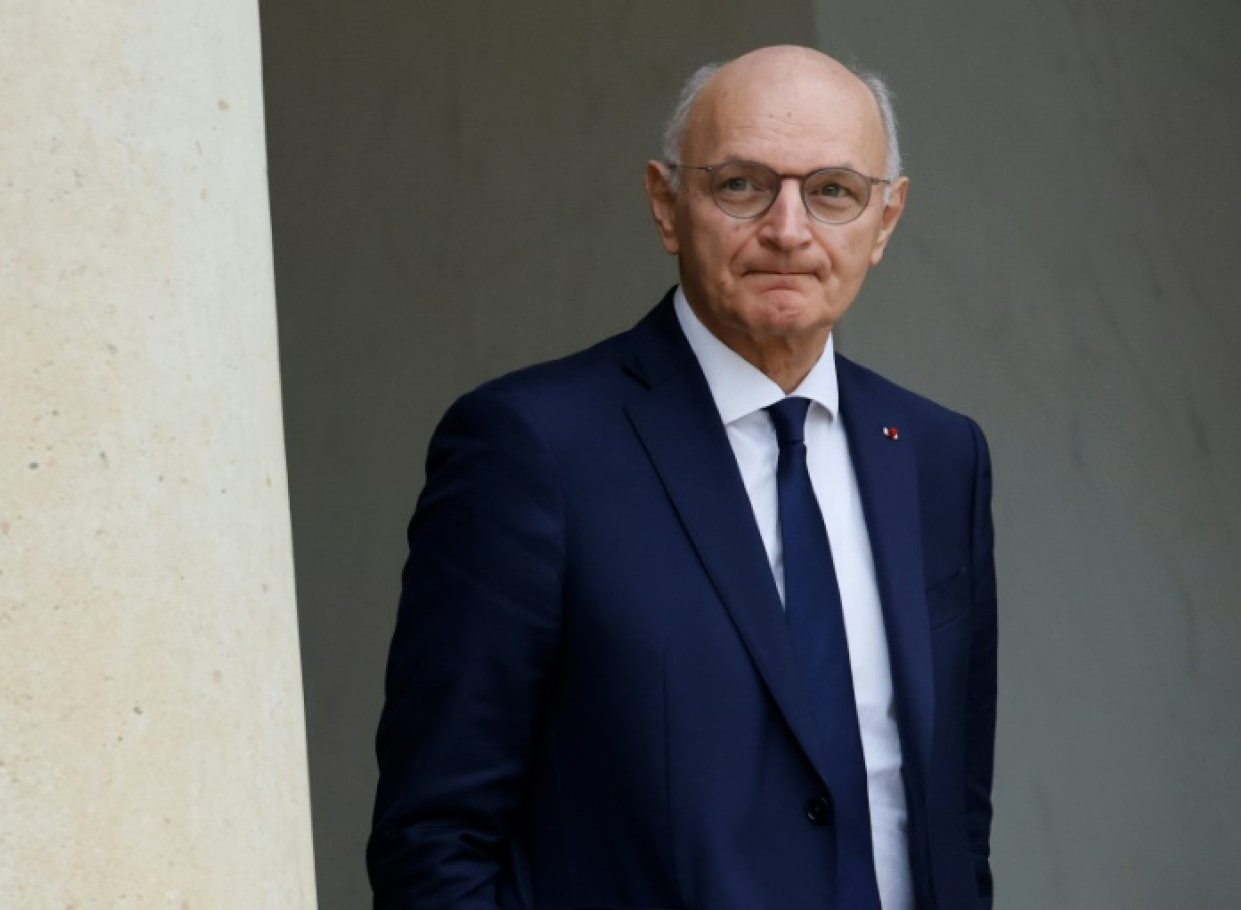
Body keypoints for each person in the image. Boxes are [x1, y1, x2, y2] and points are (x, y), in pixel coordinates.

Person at [368, 45, 996, 910]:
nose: (788, 229)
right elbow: (435, 838)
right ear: (667, 205)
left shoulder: (937, 454)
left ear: (885, 220)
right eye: (741, 185)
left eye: (833, 191)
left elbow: (951, 815)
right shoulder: (532, 448)